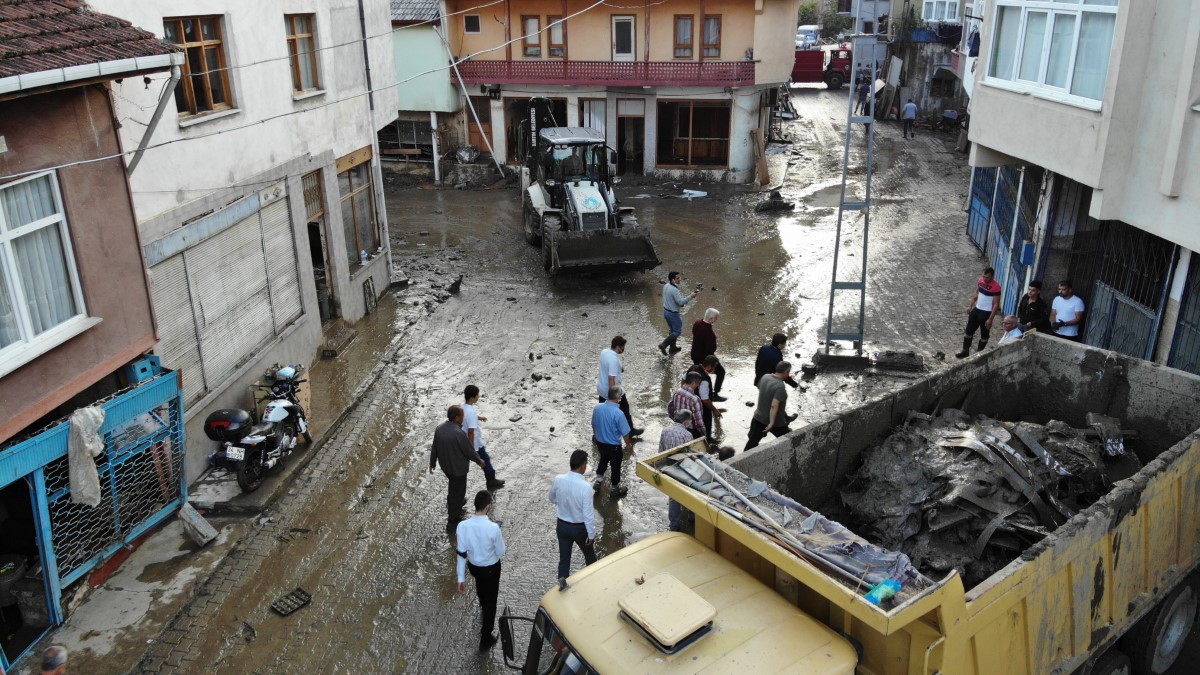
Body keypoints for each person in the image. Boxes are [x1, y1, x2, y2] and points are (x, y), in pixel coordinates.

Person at [455, 490, 506, 652]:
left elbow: (461, 554)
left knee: (481, 588)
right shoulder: (493, 528)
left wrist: (461, 578)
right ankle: (486, 637)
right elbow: (501, 552)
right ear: (488, 507)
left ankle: (483, 605)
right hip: (491, 568)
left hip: (474, 567)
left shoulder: (462, 526)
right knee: (492, 602)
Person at [430, 405, 485, 533]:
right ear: (456, 418)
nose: (463, 417)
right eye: (462, 415)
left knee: (454, 488)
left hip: (446, 467)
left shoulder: (439, 429)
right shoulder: (458, 433)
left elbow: (434, 447)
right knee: (457, 491)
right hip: (458, 469)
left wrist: (432, 462)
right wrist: (479, 461)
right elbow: (469, 451)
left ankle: (457, 503)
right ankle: (452, 520)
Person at [549, 450, 597, 583]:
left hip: (562, 526)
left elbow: (551, 498)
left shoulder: (558, 479)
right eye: (586, 464)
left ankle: (562, 586)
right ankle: (594, 580)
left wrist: (563, 503)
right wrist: (591, 535)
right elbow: (588, 515)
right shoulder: (585, 487)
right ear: (582, 466)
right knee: (590, 556)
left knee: (564, 559)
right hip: (579, 528)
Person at [668, 446, 734, 532]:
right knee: (691, 492)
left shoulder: (666, 433)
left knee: (673, 498)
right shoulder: (687, 435)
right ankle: (691, 517)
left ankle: (674, 526)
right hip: (687, 469)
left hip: (671, 470)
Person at [591, 386, 634, 497]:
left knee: (603, 460)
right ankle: (614, 488)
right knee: (615, 467)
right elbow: (625, 434)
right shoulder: (619, 414)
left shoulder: (598, 408)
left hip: (601, 443)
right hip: (614, 447)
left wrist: (596, 437)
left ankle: (598, 480)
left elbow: (594, 424)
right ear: (619, 398)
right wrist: (629, 445)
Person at [597, 336, 643, 437]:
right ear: (618, 347)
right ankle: (630, 431)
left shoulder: (605, 351)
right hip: (611, 391)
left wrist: (620, 368)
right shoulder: (613, 359)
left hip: (601, 389)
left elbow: (610, 366)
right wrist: (614, 397)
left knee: (603, 413)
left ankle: (598, 433)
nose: (624, 349)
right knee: (625, 409)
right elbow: (611, 379)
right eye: (623, 347)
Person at [462, 385, 504, 490]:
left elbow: (469, 417)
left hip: (464, 441)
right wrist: (471, 449)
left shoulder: (462, 406)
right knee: (485, 459)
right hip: (474, 443)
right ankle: (491, 481)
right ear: (472, 398)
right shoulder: (471, 412)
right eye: (477, 395)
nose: (478, 397)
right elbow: (471, 432)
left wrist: (479, 418)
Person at [745, 361, 793, 450]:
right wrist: (771, 423)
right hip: (776, 422)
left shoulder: (765, 377)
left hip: (758, 417)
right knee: (789, 443)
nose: (789, 375)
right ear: (786, 372)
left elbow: (762, 391)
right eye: (789, 373)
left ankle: (739, 462)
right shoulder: (780, 386)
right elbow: (774, 405)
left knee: (751, 443)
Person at [955, 267, 1002, 358]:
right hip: (977, 309)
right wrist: (970, 305)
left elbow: (996, 304)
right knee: (968, 331)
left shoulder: (996, 287)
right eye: (984, 276)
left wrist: (990, 319)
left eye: (987, 277)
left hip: (986, 313)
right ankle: (965, 351)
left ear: (992, 276)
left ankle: (979, 354)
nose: (985, 279)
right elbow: (976, 293)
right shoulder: (981, 281)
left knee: (984, 335)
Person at [658, 271, 699, 355]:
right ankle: (664, 344)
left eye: (679, 277)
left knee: (672, 330)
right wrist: (691, 296)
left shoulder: (666, 286)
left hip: (666, 312)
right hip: (673, 314)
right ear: (673, 280)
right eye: (677, 278)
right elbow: (680, 302)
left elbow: (671, 299)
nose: (680, 279)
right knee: (677, 331)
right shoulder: (674, 290)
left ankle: (672, 347)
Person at [689, 309, 726, 400]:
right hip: (704, 357)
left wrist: (713, 334)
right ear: (711, 318)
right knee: (721, 372)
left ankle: (696, 391)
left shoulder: (698, 322)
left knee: (698, 373)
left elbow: (697, 332)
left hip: (694, 353)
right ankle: (715, 394)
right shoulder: (708, 332)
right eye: (715, 318)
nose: (716, 320)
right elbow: (709, 350)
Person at [688, 357, 725, 445]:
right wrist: (715, 410)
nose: (714, 370)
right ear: (709, 366)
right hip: (702, 407)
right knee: (705, 422)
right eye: (714, 367)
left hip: (690, 402)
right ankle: (707, 440)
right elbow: (705, 399)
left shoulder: (693, 367)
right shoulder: (704, 380)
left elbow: (683, 378)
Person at [667, 372, 707, 442]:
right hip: (691, 430)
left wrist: (674, 419)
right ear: (694, 383)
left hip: (678, 426)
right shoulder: (695, 399)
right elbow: (699, 421)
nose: (698, 385)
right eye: (698, 383)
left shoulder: (677, 392)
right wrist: (703, 433)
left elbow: (669, 408)